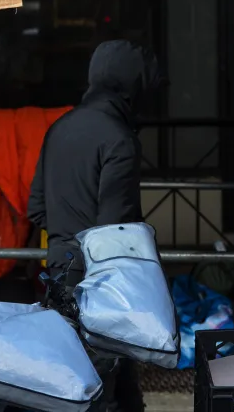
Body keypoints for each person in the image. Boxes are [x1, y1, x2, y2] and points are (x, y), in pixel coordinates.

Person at [27, 39, 161, 412]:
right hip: (104, 286)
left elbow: (36, 207)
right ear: (133, 84)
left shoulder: (59, 128)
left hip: (59, 275)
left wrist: (67, 234)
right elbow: (117, 229)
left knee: (75, 384)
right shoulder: (119, 137)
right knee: (104, 392)